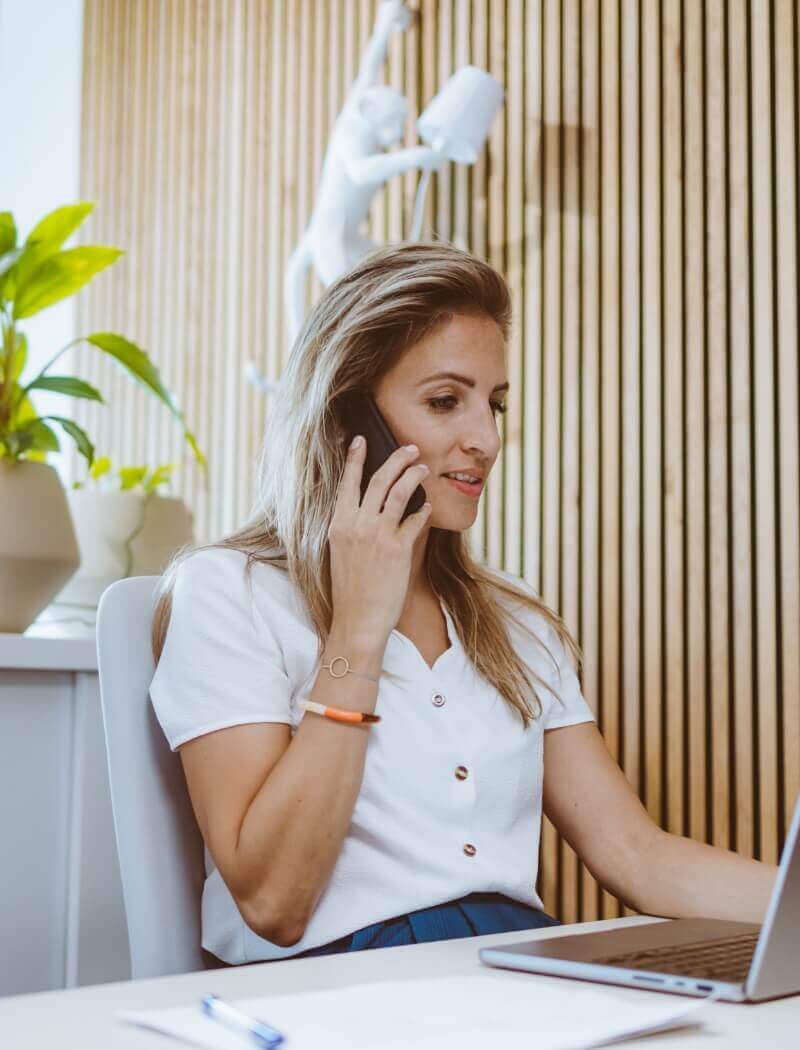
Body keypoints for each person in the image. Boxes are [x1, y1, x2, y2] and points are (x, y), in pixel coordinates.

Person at [149, 242, 778, 966]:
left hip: (512, 968)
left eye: (495, 404)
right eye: (446, 401)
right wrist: (359, 628)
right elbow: (273, 904)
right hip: (332, 991)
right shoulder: (230, 592)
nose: (486, 439)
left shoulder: (515, 622)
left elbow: (636, 854)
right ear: (349, 417)